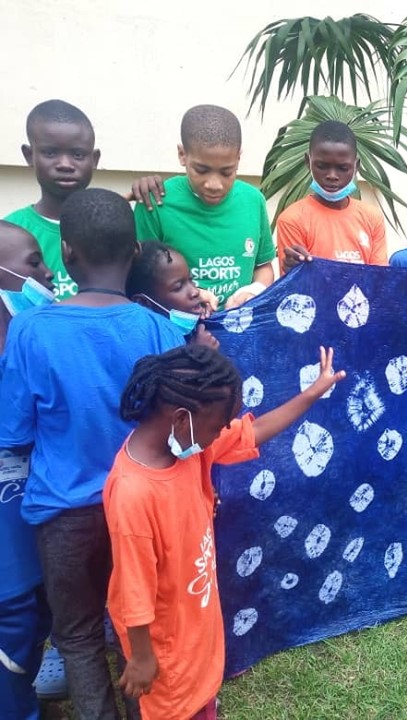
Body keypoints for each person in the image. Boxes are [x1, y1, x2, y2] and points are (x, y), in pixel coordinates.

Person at [0, 189, 185, 720]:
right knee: (137, 625)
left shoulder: (30, 329)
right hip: (141, 511)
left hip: (64, 514)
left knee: (77, 635)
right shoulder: (157, 328)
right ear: (134, 253)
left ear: (67, 254)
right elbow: (176, 424)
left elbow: (13, 430)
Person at [106, 343, 345, 720]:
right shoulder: (133, 494)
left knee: (202, 695)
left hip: (195, 629)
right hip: (164, 651)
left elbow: (255, 430)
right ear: (181, 419)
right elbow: (132, 589)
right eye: (217, 427)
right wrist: (142, 657)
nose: (220, 434)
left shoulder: (188, 444)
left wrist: (311, 394)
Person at [131, 105, 276, 310]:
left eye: (226, 172)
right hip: (177, 326)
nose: (214, 185)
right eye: (201, 170)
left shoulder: (253, 200)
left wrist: (253, 290)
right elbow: (138, 279)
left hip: (238, 323)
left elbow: (263, 267)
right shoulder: (155, 201)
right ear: (182, 155)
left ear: (238, 158)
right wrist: (192, 294)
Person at [0, 221, 55, 720]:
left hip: (36, 533)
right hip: (6, 559)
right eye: (34, 263)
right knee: (12, 634)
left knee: (36, 624)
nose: (48, 272)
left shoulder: (31, 343)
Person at [5, 99, 100, 301]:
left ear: (95, 159)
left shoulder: (114, 227)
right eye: (50, 153)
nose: (65, 164)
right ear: (29, 155)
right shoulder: (9, 234)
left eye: (78, 154)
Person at [277, 120, 387, 272]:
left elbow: (379, 277)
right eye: (322, 166)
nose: (332, 176)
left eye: (343, 168)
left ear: (356, 166)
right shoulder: (292, 220)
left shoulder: (372, 218)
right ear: (308, 162)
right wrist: (293, 271)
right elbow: (295, 282)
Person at [126, 240, 219, 348]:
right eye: (178, 287)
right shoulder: (145, 344)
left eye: (191, 280)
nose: (195, 291)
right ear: (143, 303)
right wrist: (198, 352)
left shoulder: (202, 328)